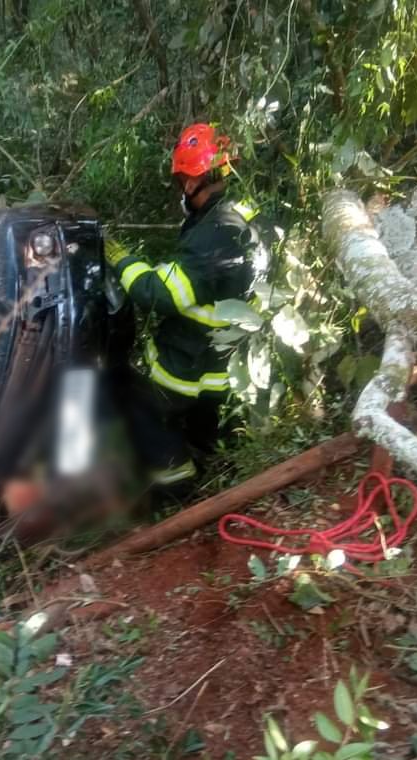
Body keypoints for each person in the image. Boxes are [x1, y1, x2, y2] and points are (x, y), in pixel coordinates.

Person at [104, 123, 269, 490]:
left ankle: (173, 481)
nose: (181, 188)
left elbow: (161, 293)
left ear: (193, 182)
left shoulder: (215, 233)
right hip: (228, 359)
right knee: (206, 420)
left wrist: (121, 258)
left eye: (181, 180)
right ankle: (211, 460)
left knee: (131, 400)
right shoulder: (245, 214)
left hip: (190, 358)